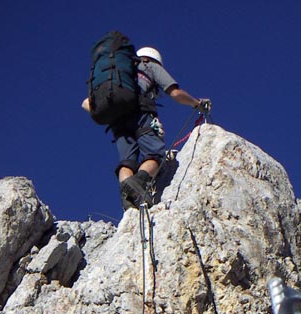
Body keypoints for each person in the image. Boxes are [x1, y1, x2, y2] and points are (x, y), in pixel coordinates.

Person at [82, 46, 211, 209]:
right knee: (155, 155)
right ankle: (137, 184)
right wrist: (196, 103)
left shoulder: (118, 75)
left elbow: (86, 103)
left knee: (126, 162)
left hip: (117, 121)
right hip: (141, 114)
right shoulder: (150, 66)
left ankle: (127, 199)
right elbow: (175, 93)